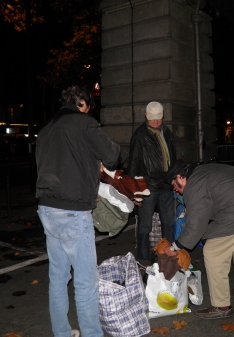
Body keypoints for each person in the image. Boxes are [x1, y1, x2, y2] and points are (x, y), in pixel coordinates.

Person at [35, 85, 121, 337]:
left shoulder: (46, 128)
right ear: (82, 103)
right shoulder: (83, 123)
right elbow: (112, 155)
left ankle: (61, 332)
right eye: (89, 106)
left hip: (46, 208)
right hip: (73, 211)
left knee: (58, 278)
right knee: (86, 282)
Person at [163, 160, 234, 319]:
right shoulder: (205, 171)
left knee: (213, 252)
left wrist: (174, 247)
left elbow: (195, 227)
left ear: (181, 177)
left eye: (174, 184)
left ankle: (222, 306)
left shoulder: (194, 185)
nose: (175, 189)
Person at [126, 101, 176, 266]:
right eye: (152, 118)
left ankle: (167, 257)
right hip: (148, 187)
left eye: (158, 118)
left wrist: (174, 178)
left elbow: (172, 158)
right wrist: (134, 191)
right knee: (145, 226)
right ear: (146, 116)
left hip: (167, 185)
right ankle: (143, 259)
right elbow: (132, 163)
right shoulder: (140, 135)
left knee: (169, 224)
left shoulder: (167, 132)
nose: (155, 122)